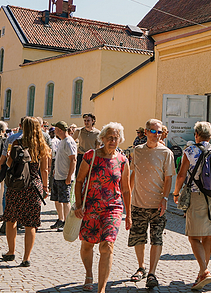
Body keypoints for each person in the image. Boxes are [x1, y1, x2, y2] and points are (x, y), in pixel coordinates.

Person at [73, 122, 131, 293]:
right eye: (110, 137)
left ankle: (102, 289)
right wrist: (77, 204)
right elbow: (79, 181)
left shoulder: (122, 160)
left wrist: (128, 215)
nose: (113, 140)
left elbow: (126, 189)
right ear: (103, 138)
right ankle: (89, 274)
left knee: (107, 245)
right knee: (87, 245)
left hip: (113, 207)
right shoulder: (91, 156)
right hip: (90, 205)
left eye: (116, 137)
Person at [173, 121, 211, 290]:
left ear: (196, 134)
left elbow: (181, 175)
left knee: (193, 236)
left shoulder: (190, 150)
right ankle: (201, 274)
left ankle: (204, 271)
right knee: (207, 236)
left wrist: (176, 193)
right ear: (210, 136)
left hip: (196, 195)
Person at [128, 119, 175, 289]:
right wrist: (128, 197)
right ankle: (141, 267)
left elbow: (168, 178)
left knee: (157, 238)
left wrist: (164, 199)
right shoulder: (137, 151)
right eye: (153, 132)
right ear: (146, 132)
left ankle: (152, 273)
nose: (157, 135)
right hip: (138, 202)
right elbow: (133, 173)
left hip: (157, 205)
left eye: (159, 132)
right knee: (138, 237)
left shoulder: (166, 153)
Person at [1, 117, 51, 267]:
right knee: (31, 223)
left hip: (17, 184)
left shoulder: (16, 143)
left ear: (23, 127)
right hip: (33, 186)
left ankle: (11, 252)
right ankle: (26, 258)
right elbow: (45, 169)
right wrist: (45, 187)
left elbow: (9, 163)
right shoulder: (42, 146)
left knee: (11, 219)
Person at [50, 121, 77, 231]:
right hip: (58, 175)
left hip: (65, 176)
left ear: (60, 130)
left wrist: (69, 176)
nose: (54, 131)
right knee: (57, 199)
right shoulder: (62, 141)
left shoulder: (69, 142)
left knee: (65, 201)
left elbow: (73, 160)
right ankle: (61, 219)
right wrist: (55, 170)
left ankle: (67, 222)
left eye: (55, 129)